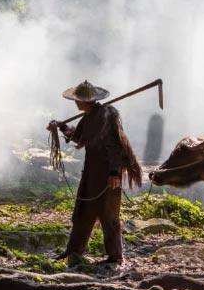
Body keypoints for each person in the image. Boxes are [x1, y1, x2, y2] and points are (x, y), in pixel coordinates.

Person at [47, 80, 143, 267]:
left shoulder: (107, 115)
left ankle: (115, 257)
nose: (76, 102)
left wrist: (115, 173)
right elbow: (80, 137)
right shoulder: (88, 116)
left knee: (108, 215)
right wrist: (61, 127)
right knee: (83, 211)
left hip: (107, 173)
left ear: (87, 100)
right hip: (90, 171)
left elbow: (115, 146)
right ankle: (74, 251)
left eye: (79, 99)